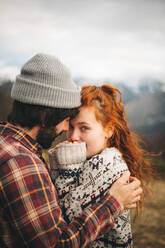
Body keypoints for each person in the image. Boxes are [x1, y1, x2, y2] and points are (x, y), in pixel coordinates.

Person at [0, 53, 142, 248]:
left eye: (83, 127)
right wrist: (114, 202)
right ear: (46, 116)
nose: (67, 131)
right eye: (67, 120)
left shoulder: (7, 144)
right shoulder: (21, 162)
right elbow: (57, 243)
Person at [49, 84, 152, 247]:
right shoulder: (86, 160)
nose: (74, 136)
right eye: (71, 127)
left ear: (108, 130)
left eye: (84, 128)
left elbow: (61, 220)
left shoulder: (107, 165)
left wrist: (63, 164)